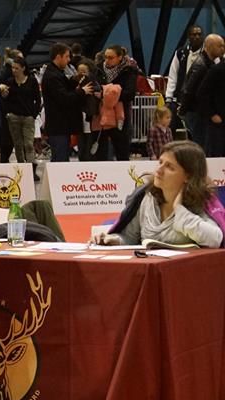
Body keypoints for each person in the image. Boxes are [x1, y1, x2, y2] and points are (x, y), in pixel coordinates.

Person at [93, 141, 222, 248]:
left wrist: (180, 211)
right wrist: (113, 240)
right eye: (160, 162)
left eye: (169, 167)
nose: (159, 170)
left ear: (188, 176)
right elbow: (129, 237)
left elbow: (215, 240)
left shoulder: (200, 203)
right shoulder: (147, 198)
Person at [42, 42, 91, 162]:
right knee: (60, 159)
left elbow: (65, 87)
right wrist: (82, 91)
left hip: (61, 126)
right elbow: (64, 98)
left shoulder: (57, 72)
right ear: (58, 57)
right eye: (67, 57)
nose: (69, 60)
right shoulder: (52, 76)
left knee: (62, 158)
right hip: (58, 126)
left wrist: (75, 80)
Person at [179, 34, 225, 150]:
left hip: (199, 112)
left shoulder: (209, 63)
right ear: (210, 46)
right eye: (220, 46)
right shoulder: (201, 65)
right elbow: (190, 90)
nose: (222, 49)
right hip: (195, 113)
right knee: (201, 147)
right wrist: (183, 110)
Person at [97, 45, 138, 161]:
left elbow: (129, 94)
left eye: (111, 57)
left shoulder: (129, 71)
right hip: (102, 116)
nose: (107, 60)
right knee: (101, 151)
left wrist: (108, 94)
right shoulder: (99, 69)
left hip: (121, 117)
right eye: (106, 57)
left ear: (120, 57)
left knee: (122, 150)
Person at [3, 56, 41, 166]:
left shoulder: (32, 81)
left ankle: (31, 166)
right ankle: (21, 166)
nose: (14, 70)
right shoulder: (10, 82)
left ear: (23, 68)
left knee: (28, 144)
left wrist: (34, 113)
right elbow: (6, 99)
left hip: (28, 116)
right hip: (14, 116)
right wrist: (8, 113)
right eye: (13, 68)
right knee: (18, 144)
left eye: (16, 68)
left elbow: (37, 98)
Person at [165, 25, 205, 114]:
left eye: (199, 34)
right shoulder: (180, 53)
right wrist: (168, 97)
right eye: (193, 35)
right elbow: (173, 76)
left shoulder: (207, 54)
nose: (197, 37)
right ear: (188, 37)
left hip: (200, 99)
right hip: (181, 98)